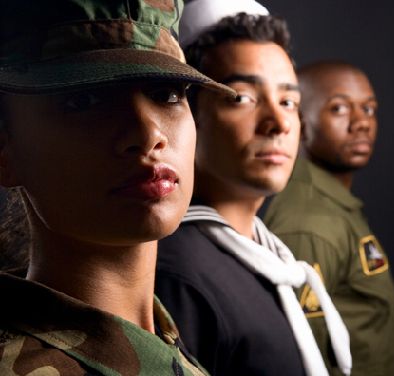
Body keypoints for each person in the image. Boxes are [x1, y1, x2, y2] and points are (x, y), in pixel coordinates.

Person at [0, 0, 235, 374]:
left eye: (167, 94)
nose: (148, 134)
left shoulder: (168, 345)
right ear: (5, 150)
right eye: (84, 100)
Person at [155, 1, 350, 376]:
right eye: (242, 98)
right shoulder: (178, 275)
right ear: (188, 115)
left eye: (289, 101)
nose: (278, 122)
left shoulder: (270, 258)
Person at [264, 61, 394, 376]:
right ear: (298, 120)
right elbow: (302, 356)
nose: (362, 123)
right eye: (339, 109)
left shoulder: (332, 205)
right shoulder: (309, 221)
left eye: (369, 109)